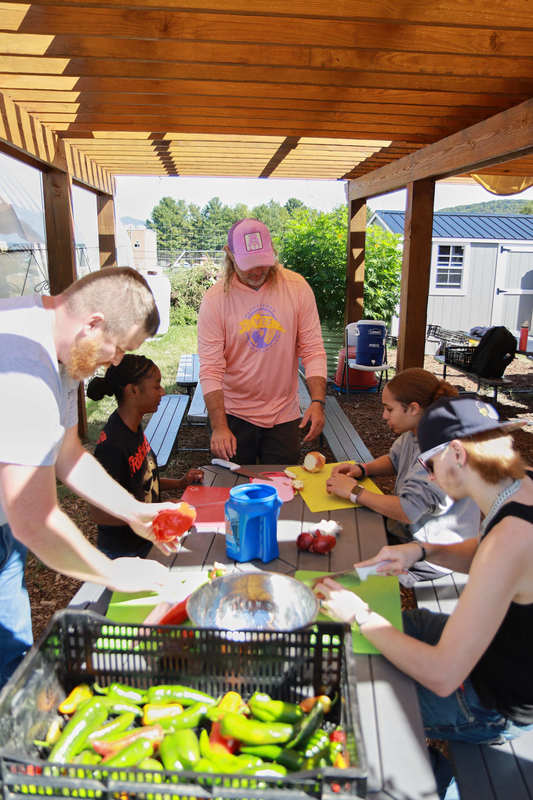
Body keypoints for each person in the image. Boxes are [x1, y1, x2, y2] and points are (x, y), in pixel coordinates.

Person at [315, 396, 532, 799]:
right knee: (395, 626)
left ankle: (422, 778)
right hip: (496, 650)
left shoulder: (511, 539)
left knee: (340, 700)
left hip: (493, 704)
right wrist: (423, 551)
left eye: (428, 465)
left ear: (456, 453)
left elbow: (442, 675)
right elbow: (486, 552)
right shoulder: (521, 489)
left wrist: (359, 614)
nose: (429, 478)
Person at [0, 267, 182, 687]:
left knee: (12, 664)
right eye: (118, 348)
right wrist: (111, 571)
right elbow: (35, 518)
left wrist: (135, 511)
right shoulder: (24, 367)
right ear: (94, 323)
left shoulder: (62, 354)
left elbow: (69, 455)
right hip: (15, 521)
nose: (116, 362)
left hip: (6, 531)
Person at [197, 218, 327, 465]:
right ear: (230, 255)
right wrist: (219, 426)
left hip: (284, 412)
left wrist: (318, 401)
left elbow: (313, 350)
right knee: (234, 484)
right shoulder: (215, 300)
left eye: (263, 263)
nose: (257, 271)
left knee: (282, 485)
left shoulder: (297, 287)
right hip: (233, 413)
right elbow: (211, 368)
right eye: (249, 265)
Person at [326, 368, 480, 571]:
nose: (383, 415)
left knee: (349, 556)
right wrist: (363, 469)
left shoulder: (441, 451)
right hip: (412, 532)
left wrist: (354, 491)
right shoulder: (417, 431)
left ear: (413, 409)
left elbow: (408, 510)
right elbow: (394, 460)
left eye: (389, 409)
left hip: (437, 552)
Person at [87, 355, 203, 559]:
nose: (163, 391)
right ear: (132, 390)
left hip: (146, 542)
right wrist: (155, 513)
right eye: (156, 386)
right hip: (124, 553)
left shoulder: (133, 426)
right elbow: (98, 513)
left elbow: (143, 480)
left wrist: (179, 483)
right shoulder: (112, 445)